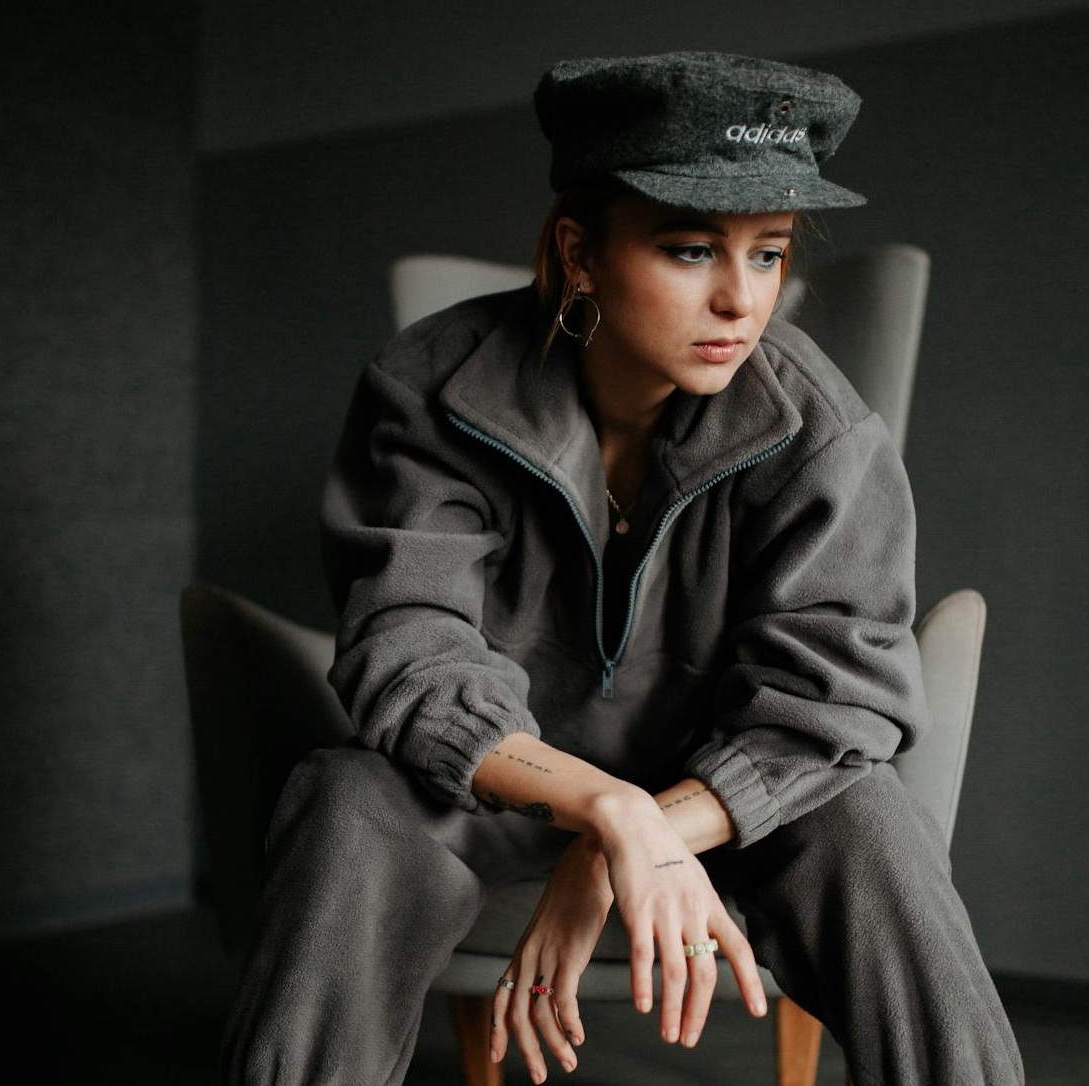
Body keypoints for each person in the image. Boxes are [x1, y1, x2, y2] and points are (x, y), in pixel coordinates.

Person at [222, 52, 1024, 1086]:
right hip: (491, 793)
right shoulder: (432, 388)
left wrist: (632, 839)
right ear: (580, 252)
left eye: (768, 254)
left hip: (720, 796)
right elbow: (410, 655)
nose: (740, 301)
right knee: (344, 802)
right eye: (690, 250)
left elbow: (832, 702)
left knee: (869, 818)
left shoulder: (820, 429)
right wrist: (606, 810)